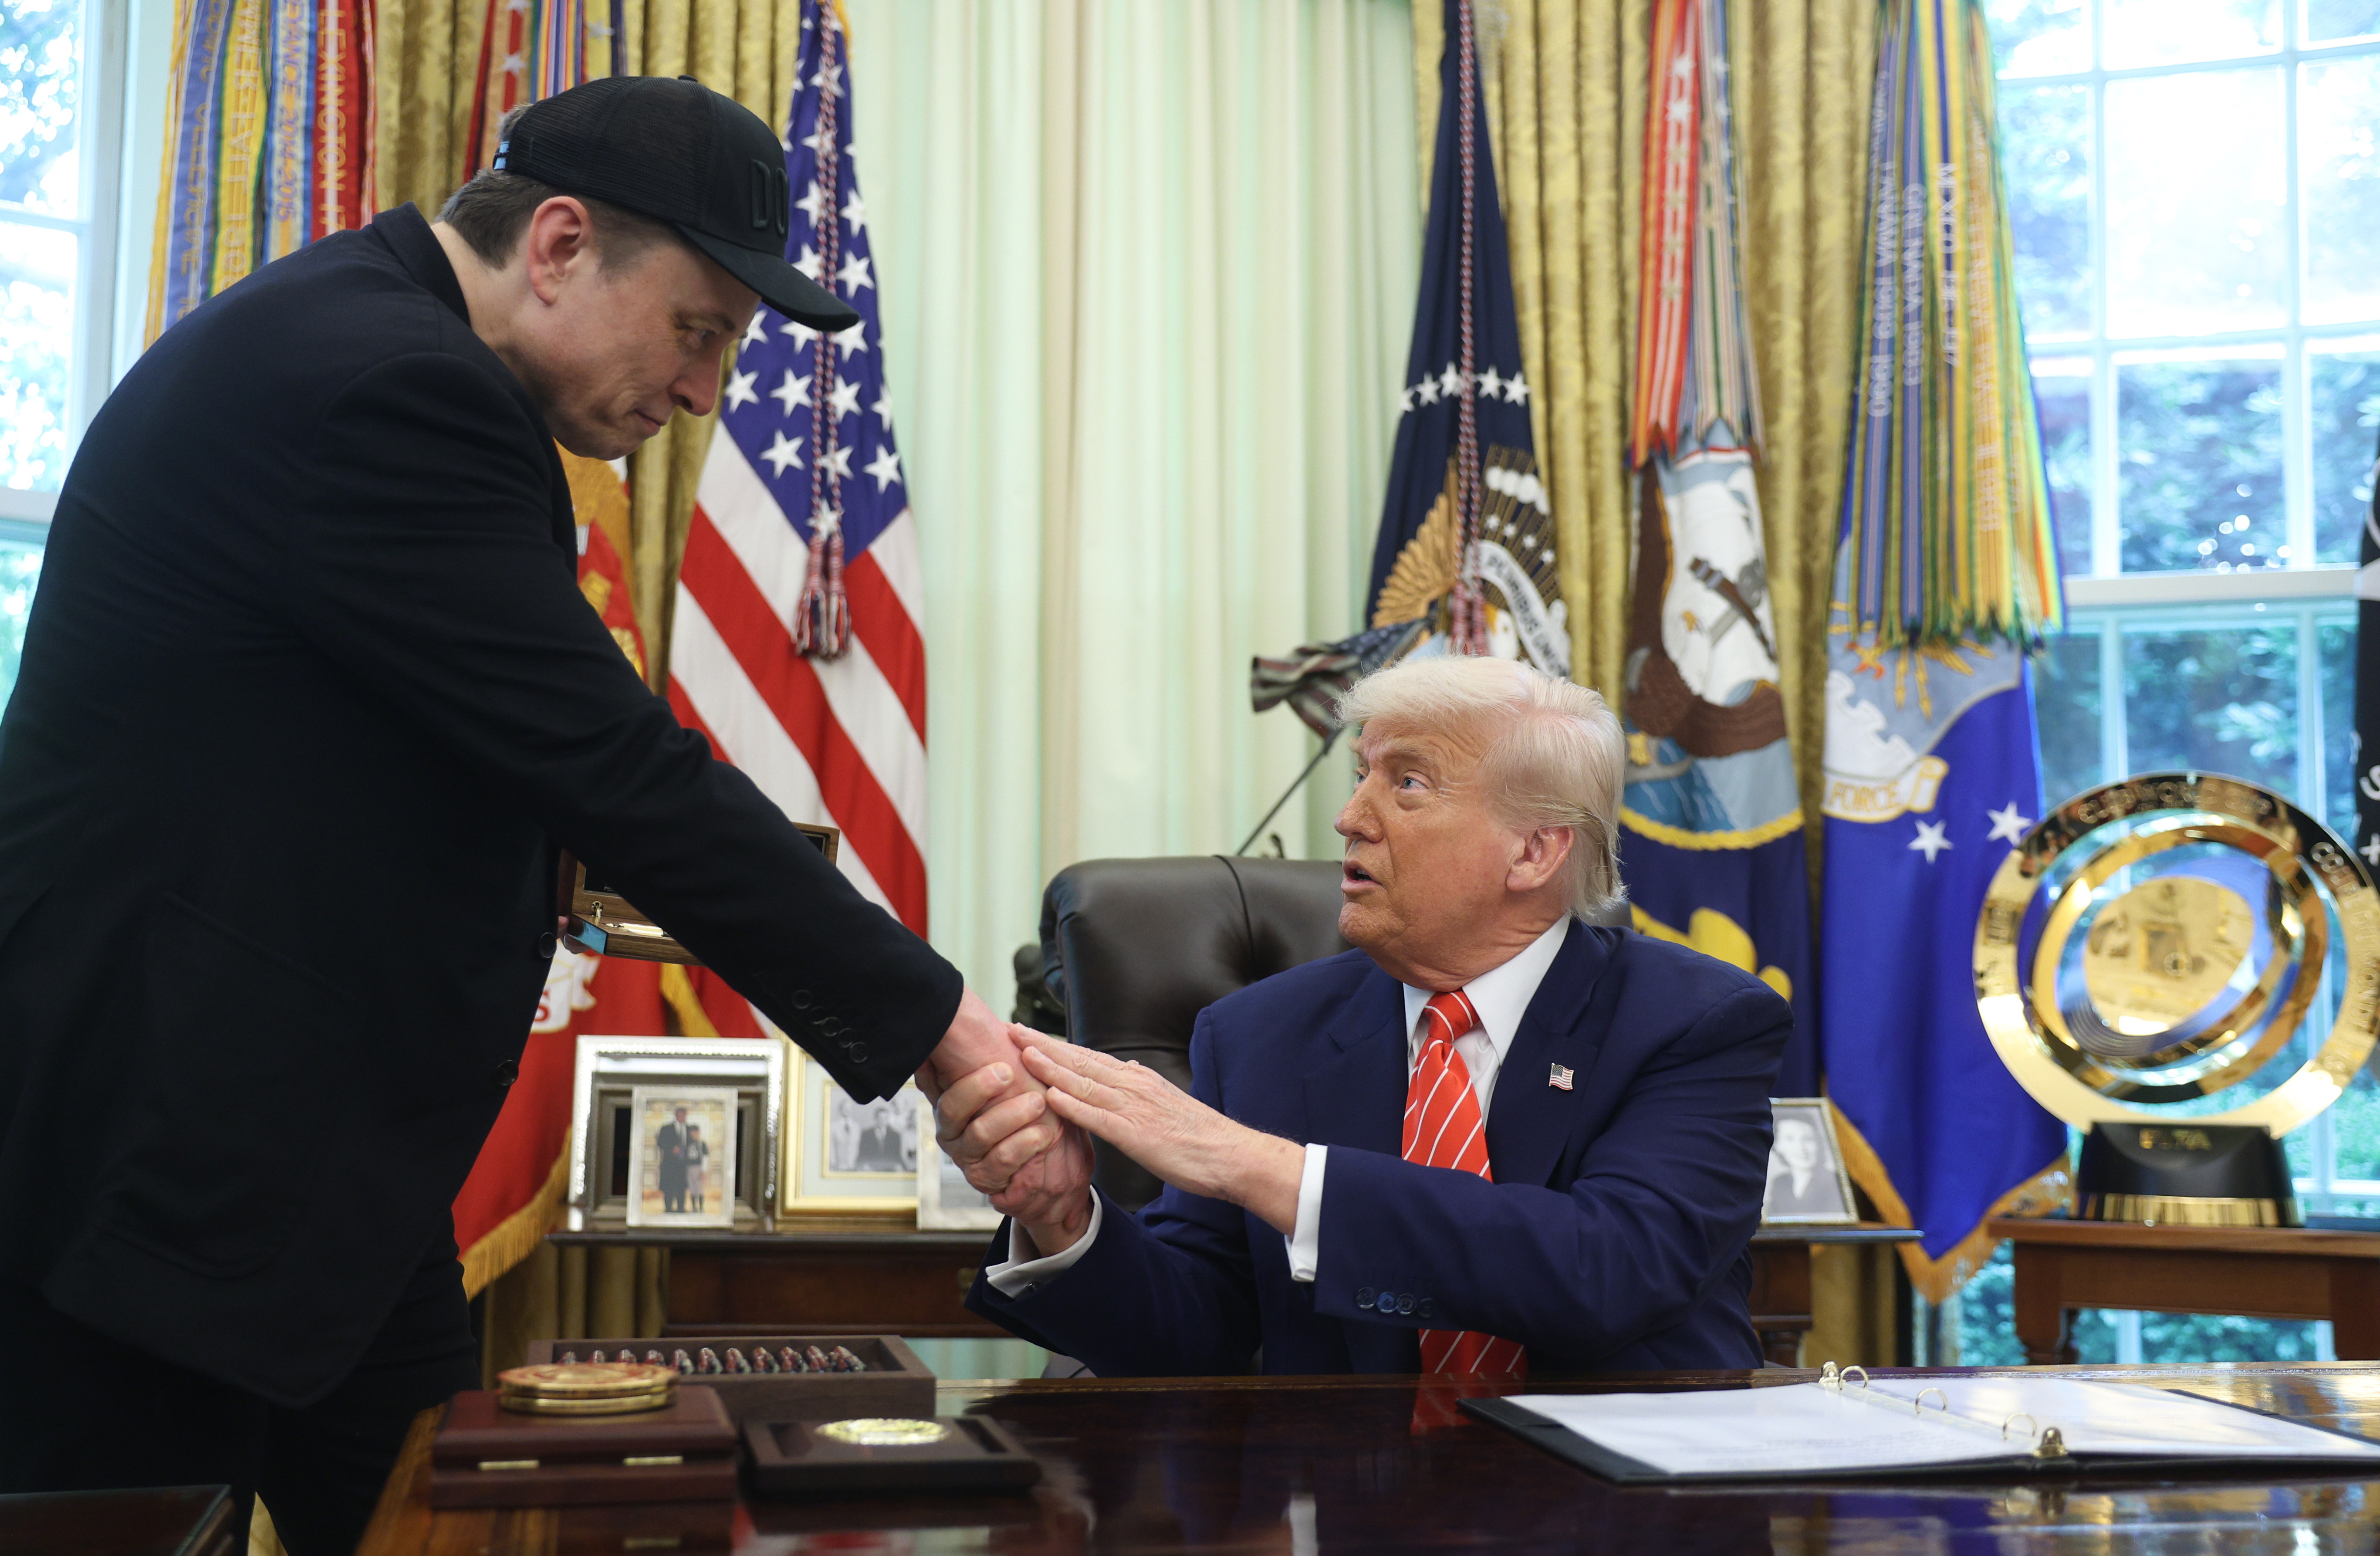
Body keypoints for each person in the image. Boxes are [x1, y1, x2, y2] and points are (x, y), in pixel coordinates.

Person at [0, 75, 1059, 1553]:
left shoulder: (363, 339)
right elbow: (617, 772)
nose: (701, 392)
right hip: (162, 1169)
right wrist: (946, 1035)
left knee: (449, 1524)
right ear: (559, 244)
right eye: (700, 331)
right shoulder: (391, 387)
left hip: (297, 1170)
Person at [935, 655, 1792, 1376]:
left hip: (1635, 1515)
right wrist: (1062, 1214)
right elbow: (1193, 1334)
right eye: (1360, 776)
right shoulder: (1259, 1034)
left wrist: (1257, 1167)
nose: (1348, 817)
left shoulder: (1696, 1023)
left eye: (1407, 783)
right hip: (1353, 1502)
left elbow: (1609, 1267)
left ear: (1534, 849)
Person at [1763, 1115, 1845, 1219]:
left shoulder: (1834, 1182)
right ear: (1778, 1146)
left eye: (1808, 1140)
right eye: (1790, 1139)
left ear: (1818, 1144)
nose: (1801, 1148)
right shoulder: (1780, 1183)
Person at [848, 1099, 909, 1172]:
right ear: (876, 1119)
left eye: (885, 1118)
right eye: (880, 1118)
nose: (883, 1121)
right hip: (871, 1167)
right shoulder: (866, 1134)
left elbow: (897, 1156)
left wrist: (897, 1166)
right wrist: (864, 1165)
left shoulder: (895, 1135)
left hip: (890, 1167)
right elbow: (862, 1154)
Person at [656, 1106, 692, 1214]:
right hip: (669, 1164)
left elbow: (692, 1144)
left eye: (684, 1115)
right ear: (676, 1115)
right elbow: (660, 1143)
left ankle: (681, 1209)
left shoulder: (689, 1129)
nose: (682, 1117)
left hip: (683, 1165)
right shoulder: (666, 1128)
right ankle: (668, 1209)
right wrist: (672, 1148)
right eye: (680, 1115)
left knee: (682, 1188)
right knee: (669, 1188)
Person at [682, 1123, 710, 1213]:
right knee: (692, 1189)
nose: (694, 1134)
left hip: (698, 1168)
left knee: (699, 1188)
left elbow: (705, 1158)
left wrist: (703, 1171)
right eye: (692, 1132)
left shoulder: (702, 1144)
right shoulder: (687, 1143)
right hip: (689, 1167)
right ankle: (694, 1207)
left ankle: (701, 1208)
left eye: (696, 1132)